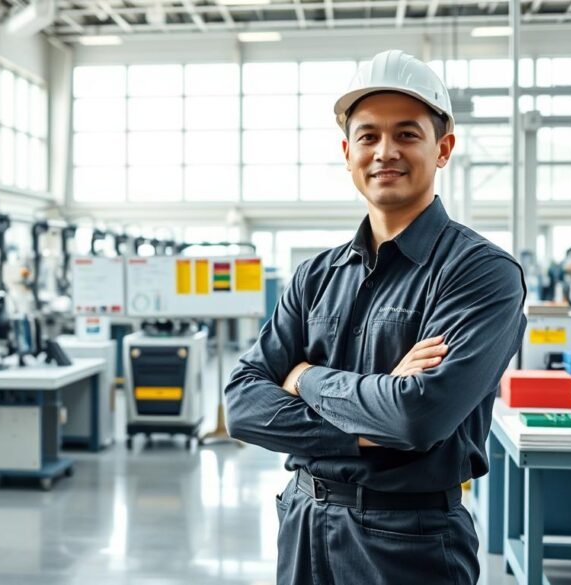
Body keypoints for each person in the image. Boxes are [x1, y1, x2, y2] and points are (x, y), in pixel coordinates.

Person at [224, 50, 528, 584]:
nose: (385, 152)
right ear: (347, 153)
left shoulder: (481, 274)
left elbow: (417, 418)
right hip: (302, 526)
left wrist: (304, 378)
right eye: (368, 136)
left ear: (443, 149)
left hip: (407, 542)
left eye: (407, 134)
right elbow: (243, 404)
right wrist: (371, 415)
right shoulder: (315, 276)